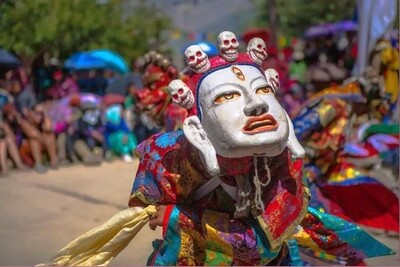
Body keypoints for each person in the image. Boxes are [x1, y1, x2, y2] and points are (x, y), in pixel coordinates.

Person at [44, 31, 394, 266]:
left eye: (264, 93)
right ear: (196, 129)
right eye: (228, 97)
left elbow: (266, 241)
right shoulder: (170, 160)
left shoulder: (286, 168)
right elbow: (161, 215)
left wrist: (179, 218)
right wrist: (168, 216)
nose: (256, 106)